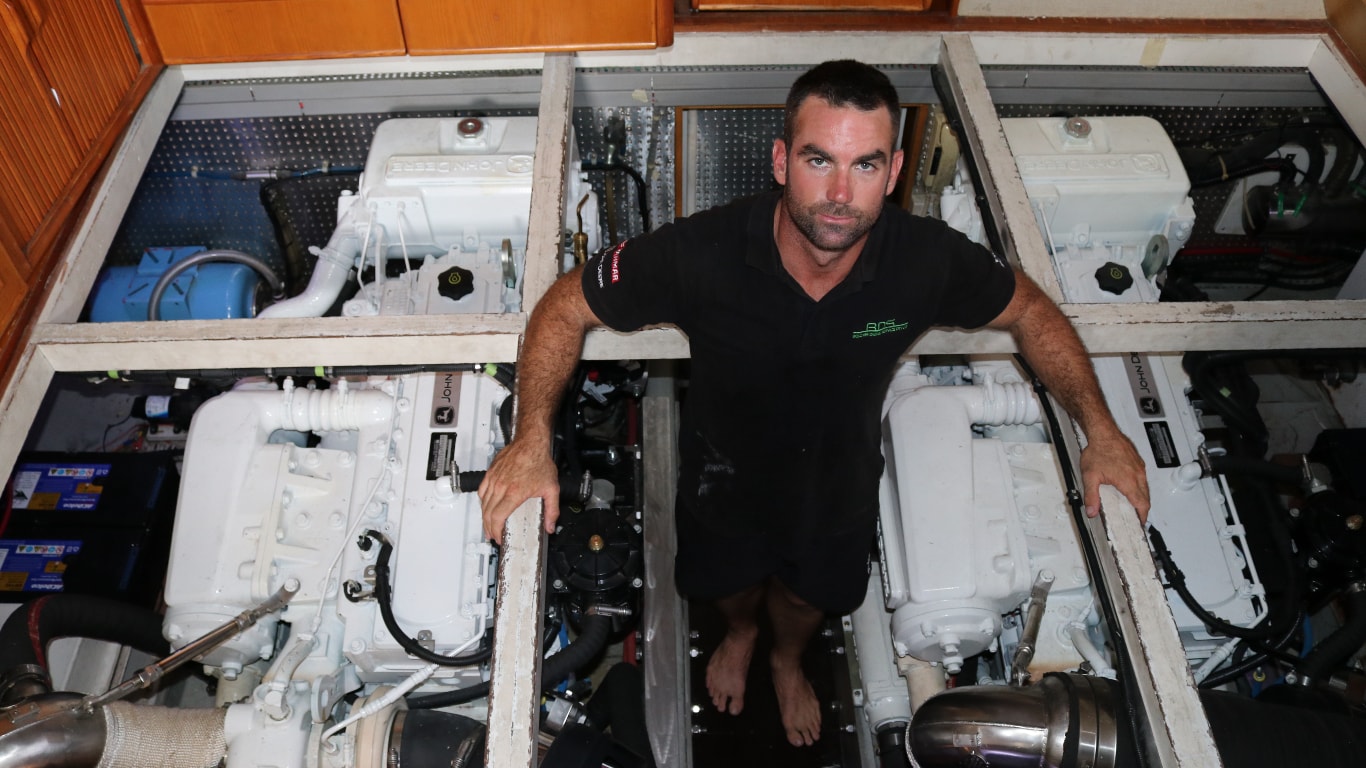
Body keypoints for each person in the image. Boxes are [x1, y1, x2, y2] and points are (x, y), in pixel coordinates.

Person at [478, 60, 1151, 749]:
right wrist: (532, 440)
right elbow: (565, 306)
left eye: (864, 166)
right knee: (729, 587)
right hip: (720, 479)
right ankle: (740, 636)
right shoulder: (702, 253)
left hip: (837, 482)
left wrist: (1101, 427)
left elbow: (1031, 310)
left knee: (810, 597)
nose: (838, 193)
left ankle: (786, 659)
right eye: (818, 159)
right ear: (780, 161)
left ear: (892, 174)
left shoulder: (924, 261)